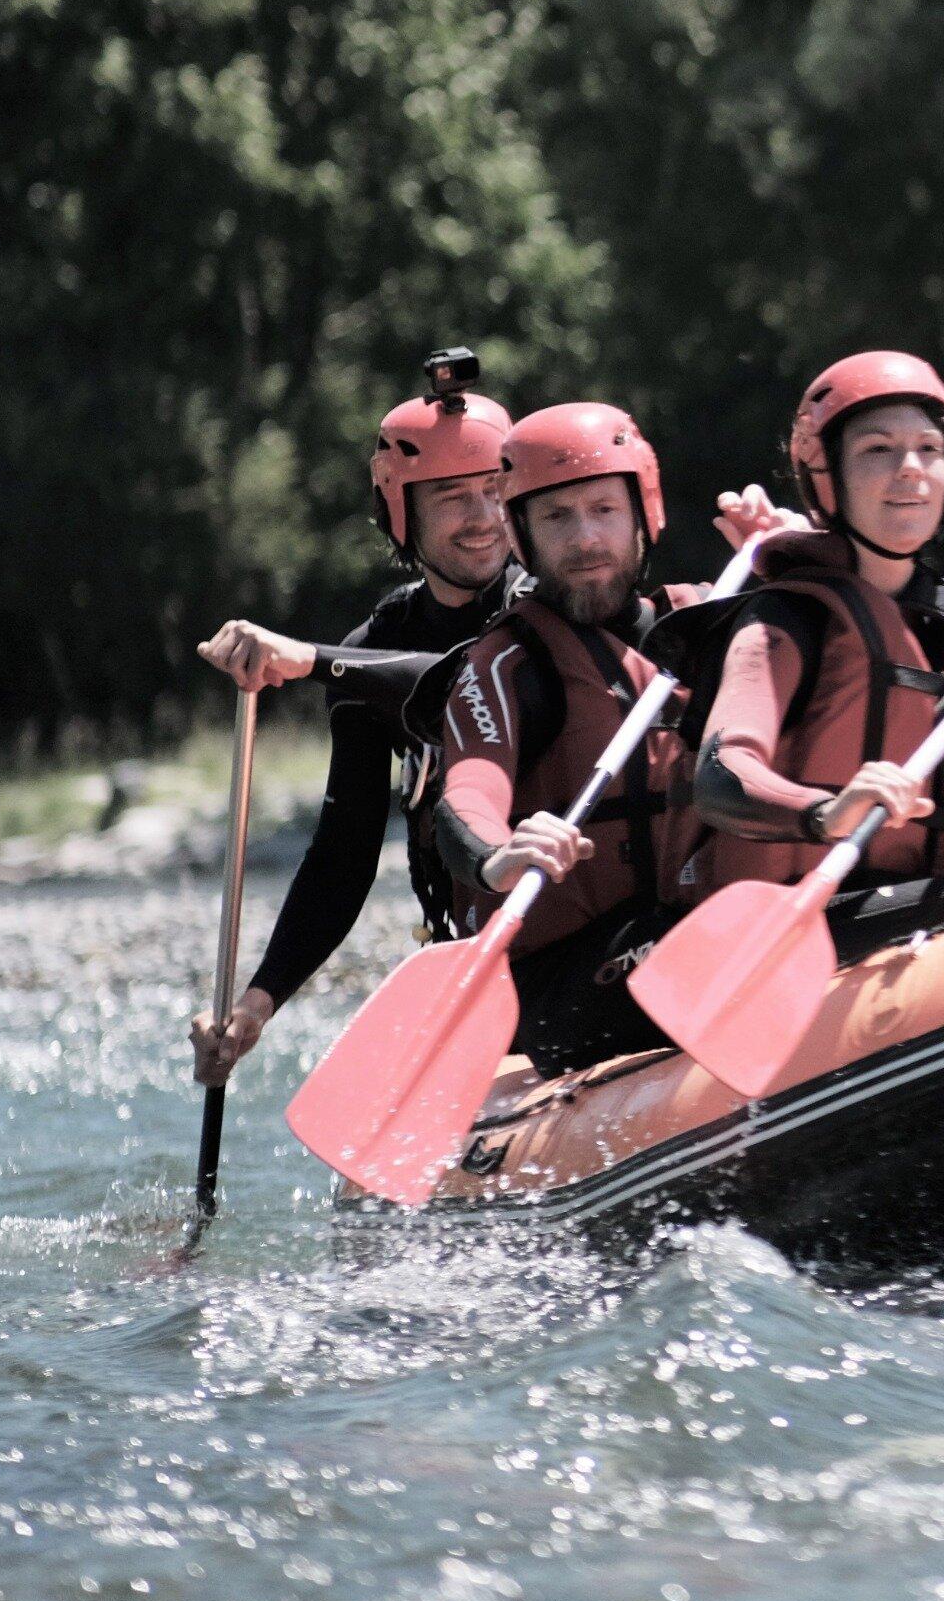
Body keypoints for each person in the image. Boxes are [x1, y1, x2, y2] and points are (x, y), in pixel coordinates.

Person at [185, 350, 520, 1086]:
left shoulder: (542, 612)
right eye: (454, 497)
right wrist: (255, 1007)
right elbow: (343, 855)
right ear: (402, 514)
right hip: (468, 958)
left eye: (496, 491)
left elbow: (461, 676)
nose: (484, 519)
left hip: (564, 930)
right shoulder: (372, 648)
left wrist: (312, 660)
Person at [693, 352, 944, 959]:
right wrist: (828, 812)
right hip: (787, 930)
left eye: (929, 449)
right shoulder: (789, 616)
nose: (911, 469)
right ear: (829, 478)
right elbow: (721, 775)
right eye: (878, 449)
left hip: (917, 926)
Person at [427, 402, 738, 1072]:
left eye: (603, 510)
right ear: (522, 535)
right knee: (693, 943)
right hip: (560, 985)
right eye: (557, 517)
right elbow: (469, 793)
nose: (585, 538)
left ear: (643, 513)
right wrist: (498, 855)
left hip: (690, 932)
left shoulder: (712, 622)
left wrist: (800, 562)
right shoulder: (505, 666)